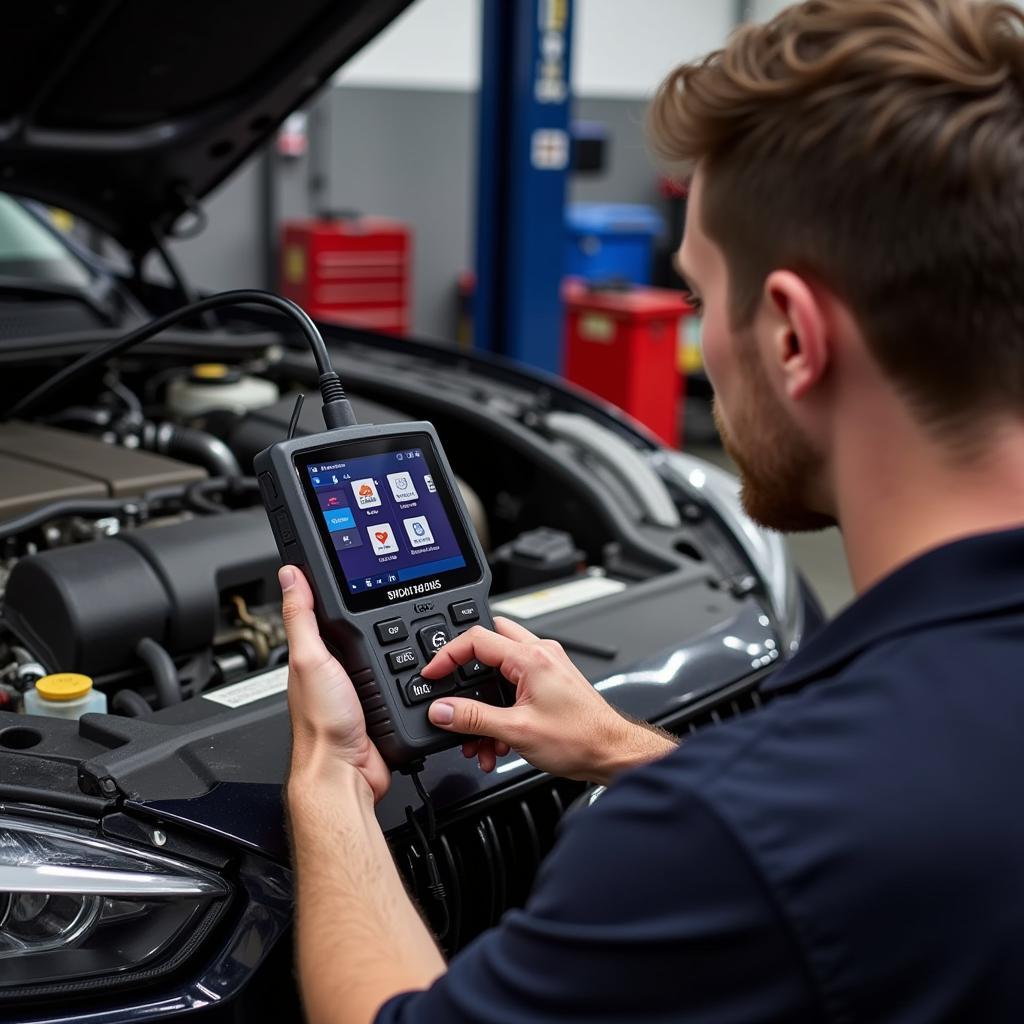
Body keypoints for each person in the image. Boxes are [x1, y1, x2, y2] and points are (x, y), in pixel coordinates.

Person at [280, 0, 1024, 1020]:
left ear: (793, 339)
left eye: (699, 297)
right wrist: (621, 746)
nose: (701, 341)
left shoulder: (724, 837)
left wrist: (327, 786)